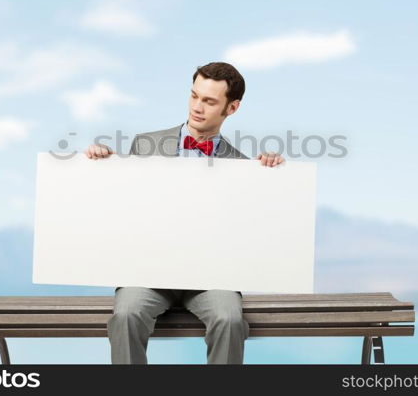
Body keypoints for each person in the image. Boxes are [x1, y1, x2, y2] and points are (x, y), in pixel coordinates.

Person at [85, 61, 284, 364]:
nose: (197, 107)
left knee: (230, 320)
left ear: (232, 108)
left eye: (209, 101)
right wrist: (104, 164)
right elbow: (121, 206)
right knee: (126, 314)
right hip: (149, 273)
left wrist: (270, 175)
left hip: (211, 278)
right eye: (194, 96)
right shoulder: (145, 144)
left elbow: (256, 229)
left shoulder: (244, 167)